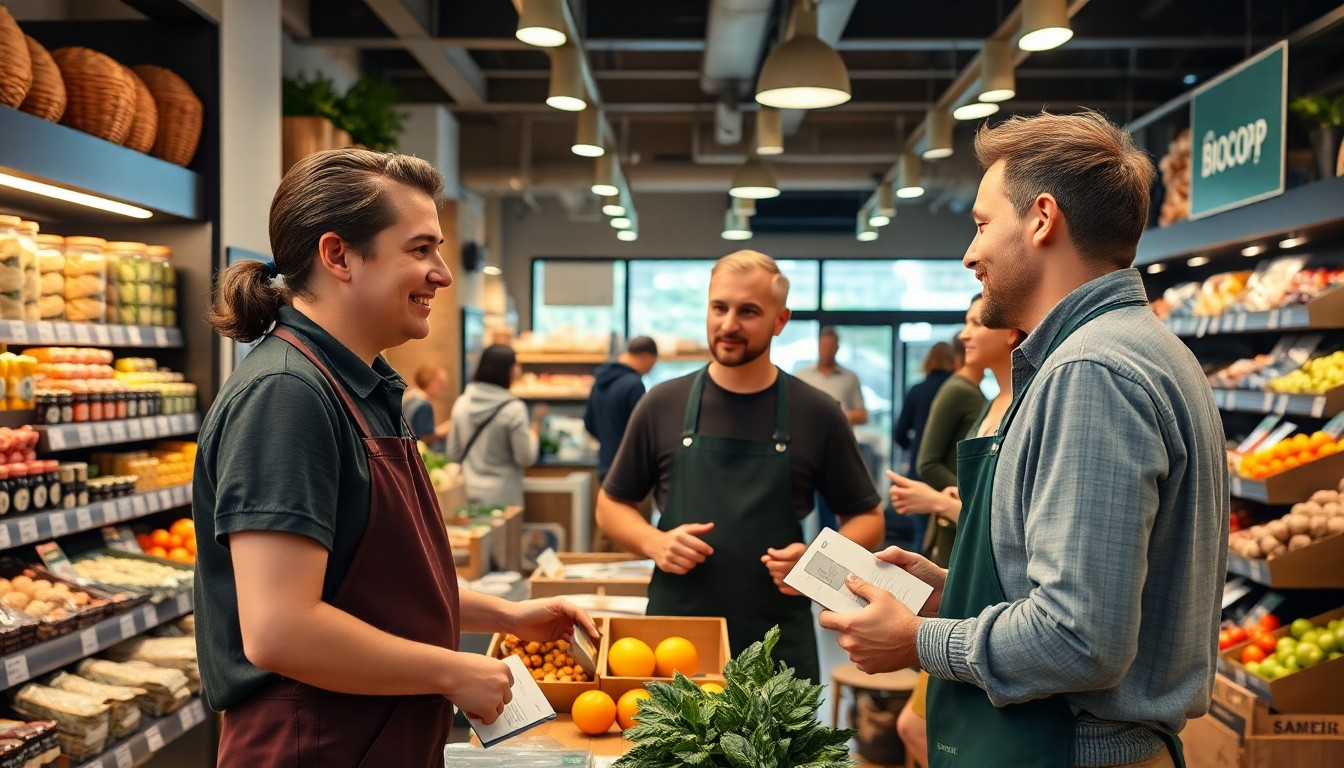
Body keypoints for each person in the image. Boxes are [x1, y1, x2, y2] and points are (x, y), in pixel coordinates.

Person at [820, 111, 1227, 768]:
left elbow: (1079, 638)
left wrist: (920, 640)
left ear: (1041, 219)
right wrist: (954, 589)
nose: (970, 252)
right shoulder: (1144, 349)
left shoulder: (1092, 371)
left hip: (1065, 750)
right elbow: (1092, 591)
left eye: (982, 224)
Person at [194, 148, 597, 768]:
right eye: (419, 249)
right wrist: (449, 672)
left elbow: (378, 586)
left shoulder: (359, 384)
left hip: (372, 735)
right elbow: (281, 629)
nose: (442, 272)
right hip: (315, 743)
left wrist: (508, 613)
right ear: (338, 256)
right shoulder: (286, 395)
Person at [596, 251, 884, 684]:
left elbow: (867, 518)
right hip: (676, 646)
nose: (729, 324)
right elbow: (611, 505)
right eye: (719, 307)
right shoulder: (662, 404)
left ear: (779, 321)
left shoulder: (817, 412)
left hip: (776, 649)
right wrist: (654, 542)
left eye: (748, 311)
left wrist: (817, 564)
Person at [884, 296, 1024, 768]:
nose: (963, 334)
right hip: (967, 584)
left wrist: (936, 502)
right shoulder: (987, 402)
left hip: (995, 609)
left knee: (930, 728)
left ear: (1010, 329)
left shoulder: (1023, 406)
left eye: (974, 321)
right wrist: (948, 580)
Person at [447, 344, 548, 508]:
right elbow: (526, 458)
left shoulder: (462, 403)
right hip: (503, 498)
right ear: (508, 370)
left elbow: (453, 453)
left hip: (467, 495)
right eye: (516, 365)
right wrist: (535, 426)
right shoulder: (513, 409)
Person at [796, 326, 870, 533]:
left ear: (837, 348)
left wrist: (836, 416)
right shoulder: (802, 375)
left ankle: (825, 552)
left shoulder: (849, 378)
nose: (826, 350)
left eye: (831, 346)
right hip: (805, 448)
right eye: (823, 346)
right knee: (798, 503)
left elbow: (863, 414)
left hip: (836, 451)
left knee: (830, 507)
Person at [891, 340, 958, 548]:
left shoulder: (917, 390)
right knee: (949, 537)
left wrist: (912, 447)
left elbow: (900, 432)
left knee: (921, 535)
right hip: (950, 474)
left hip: (920, 470)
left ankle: (916, 578)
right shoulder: (957, 389)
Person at [916, 319, 990, 492]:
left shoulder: (972, 389)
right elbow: (927, 464)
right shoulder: (956, 390)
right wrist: (972, 494)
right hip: (958, 508)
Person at [584, 336, 659, 481]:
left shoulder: (600, 381)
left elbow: (589, 423)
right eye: (653, 363)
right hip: (629, 467)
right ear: (646, 356)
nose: (651, 369)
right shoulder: (634, 384)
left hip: (605, 463)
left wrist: (609, 441)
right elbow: (642, 430)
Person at [402, 365, 452, 452]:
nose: (444, 387)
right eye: (441, 382)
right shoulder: (423, 404)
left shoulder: (409, 397)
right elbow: (425, 437)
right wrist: (446, 428)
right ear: (431, 382)